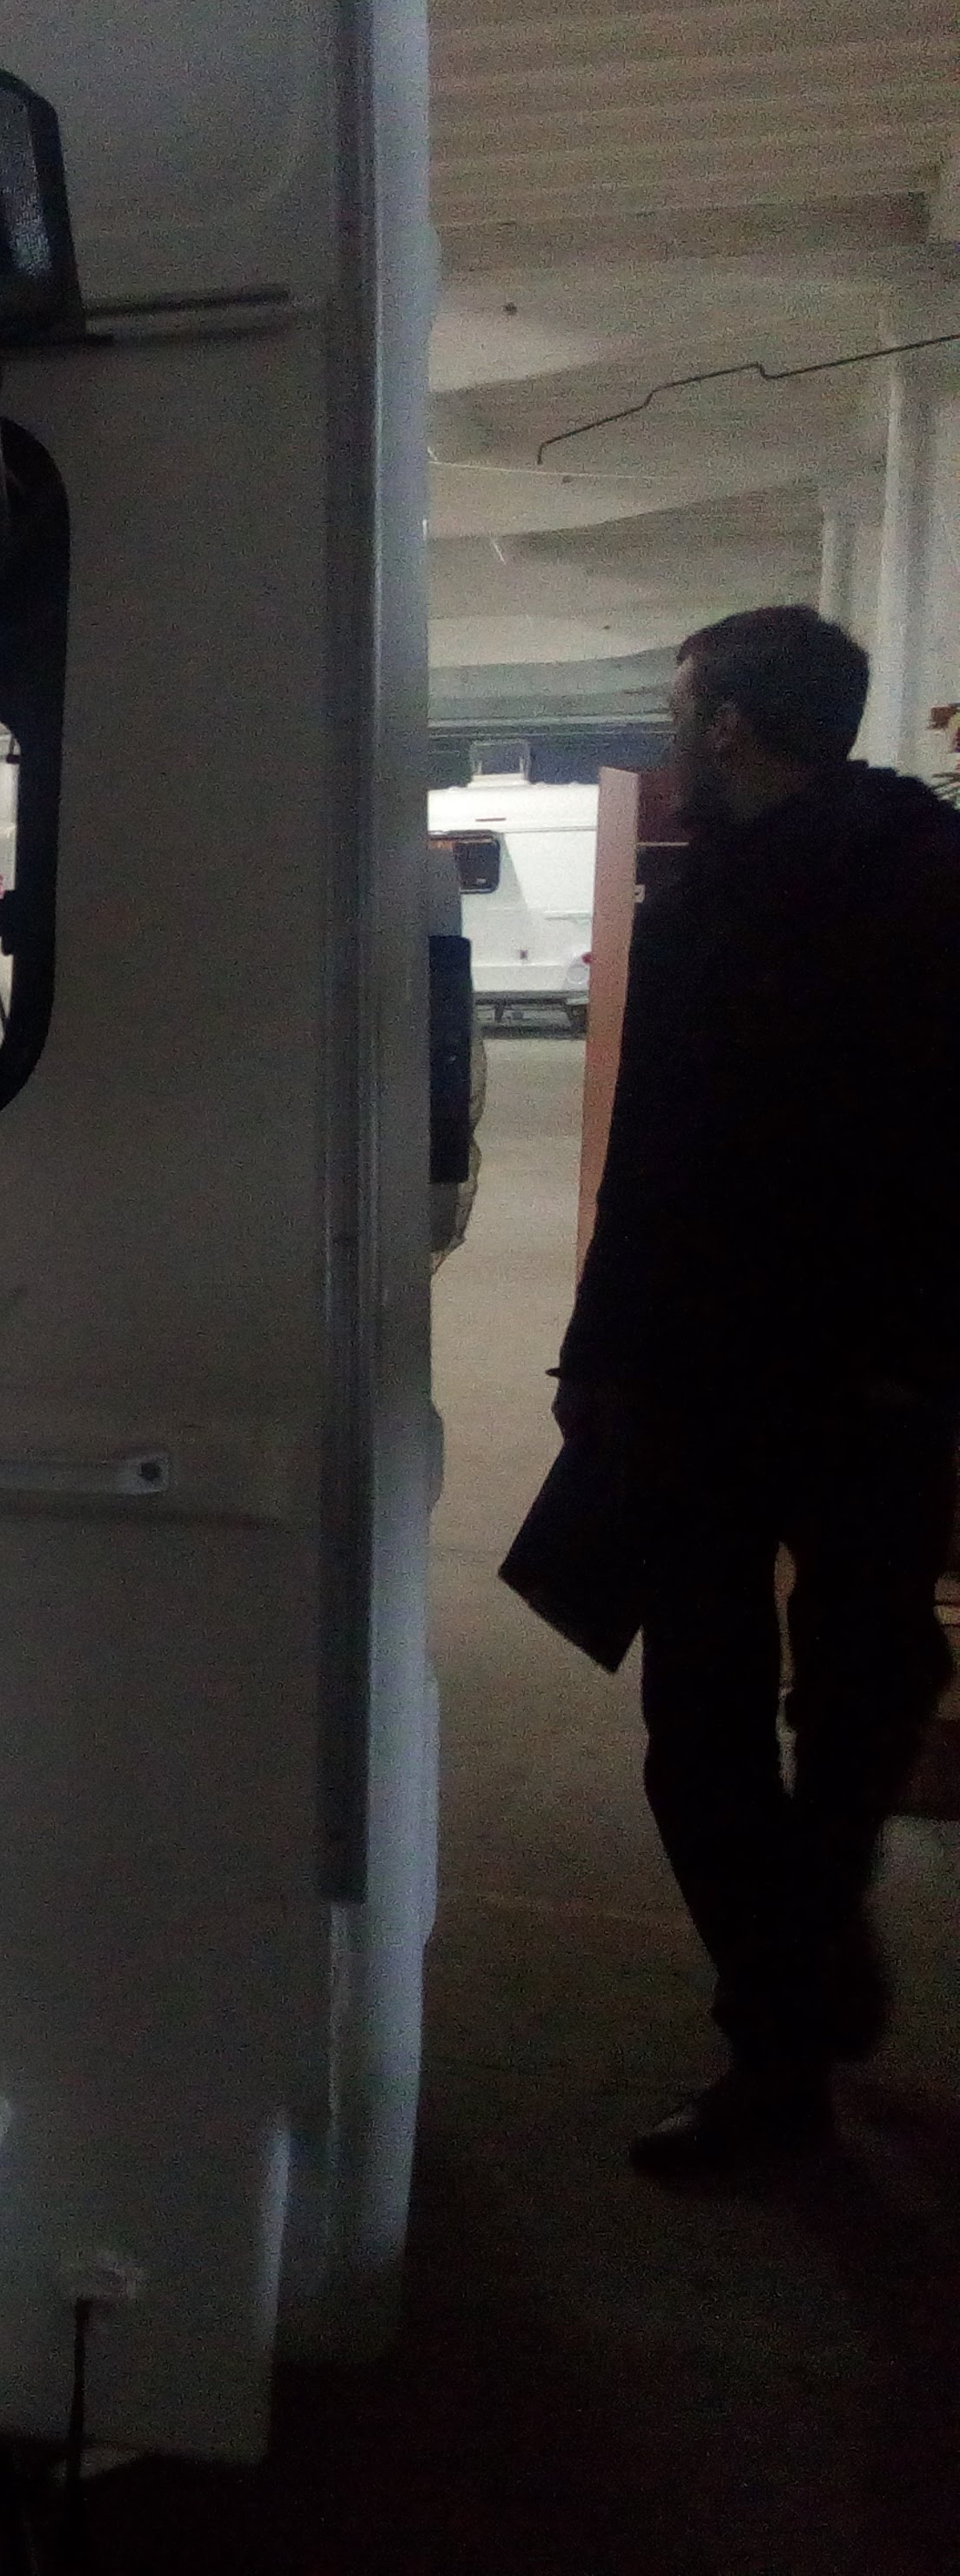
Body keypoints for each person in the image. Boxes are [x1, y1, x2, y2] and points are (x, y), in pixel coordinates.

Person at [553, 604, 960, 2175]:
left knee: (718, 1723)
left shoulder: (731, 902)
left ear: (726, 723)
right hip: (855, 1384)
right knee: (848, 1694)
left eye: (679, 710)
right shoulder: (928, 873)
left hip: (742, 1377)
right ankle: (814, 1955)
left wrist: (605, 1355)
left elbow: (652, 1164)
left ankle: (781, 2036)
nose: (670, 739)